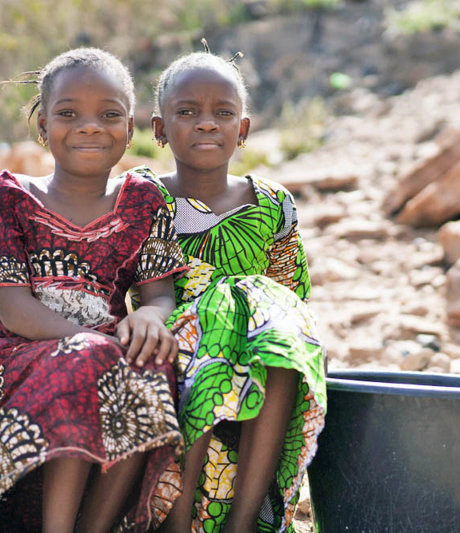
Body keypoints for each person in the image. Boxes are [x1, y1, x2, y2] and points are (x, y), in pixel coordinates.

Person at [0, 47, 188, 533]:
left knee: (152, 362)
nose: (89, 126)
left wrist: (150, 318)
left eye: (109, 114)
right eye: (69, 114)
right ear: (43, 126)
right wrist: (94, 344)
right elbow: (16, 311)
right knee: (95, 357)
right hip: (25, 357)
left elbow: (160, 294)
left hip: (106, 351)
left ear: (130, 130)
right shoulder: (9, 199)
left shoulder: (145, 201)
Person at [130, 48, 327, 533]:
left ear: (243, 131)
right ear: (159, 129)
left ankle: (245, 524)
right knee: (214, 327)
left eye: (223, 113)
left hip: (260, 350)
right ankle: (176, 522)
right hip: (176, 342)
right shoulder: (142, 195)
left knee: (283, 345)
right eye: (187, 112)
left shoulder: (273, 203)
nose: (206, 124)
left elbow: (291, 295)